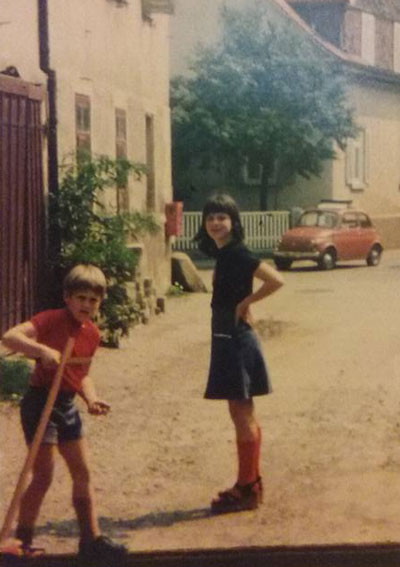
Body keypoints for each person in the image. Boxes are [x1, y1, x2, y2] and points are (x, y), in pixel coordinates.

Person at [1, 264, 128, 559]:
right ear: (67, 297)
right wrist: (41, 350)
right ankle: (22, 540)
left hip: (66, 403)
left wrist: (92, 399)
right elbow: (10, 337)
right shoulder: (50, 320)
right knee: (43, 475)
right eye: (81, 298)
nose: (86, 305)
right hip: (40, 402)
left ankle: (90, 539)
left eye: (93, 300)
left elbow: (81, 373)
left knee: (83, 472)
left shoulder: (92, 333)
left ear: (100, 303)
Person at [195, 194, 284, 514]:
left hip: (234, 338)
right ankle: (251, 482)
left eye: (222, 217)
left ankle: (247, 487)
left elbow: (276, 279)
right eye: (211, 218)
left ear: (233, 222)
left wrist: (247, 303)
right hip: (228, 336)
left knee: (241, 413)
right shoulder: (225, 254)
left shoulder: (237, 253)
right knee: (242, 412)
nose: (216, 223)